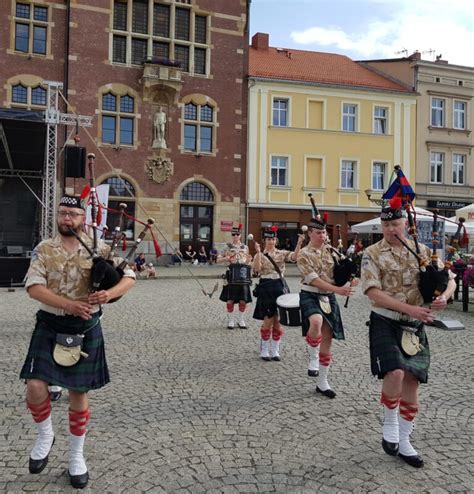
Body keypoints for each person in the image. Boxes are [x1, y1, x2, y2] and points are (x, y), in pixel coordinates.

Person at [19, 195, 135, 489]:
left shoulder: (97, 248)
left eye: (72, 214)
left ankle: (75, 456)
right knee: (34, 384)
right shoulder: (44, 249)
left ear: (83, 218)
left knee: (78, 392)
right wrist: (68, 305)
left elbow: (130, 275)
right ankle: (46, 434)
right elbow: (33, 288)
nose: (66, 219)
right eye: (62, 213)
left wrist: (109, 294)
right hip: (51, 322)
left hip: (86, 326)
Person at [360, 203, 456, 468]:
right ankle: (390, 422)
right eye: (386, 225)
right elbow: (373, 293)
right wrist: (409, 308)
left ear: (405, 224)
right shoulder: (371, 253)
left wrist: (444, 298)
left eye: (395, 224)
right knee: (395, 373)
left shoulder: (423, 252)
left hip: (414, 325)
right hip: (386, 320)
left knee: (412, 380)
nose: (390, 229)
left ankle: (404, 440)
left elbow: (450, 280)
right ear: (382, 226)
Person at [297, 214, 358, 398]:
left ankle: (322, 382)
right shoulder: (303, 255)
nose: (322, 236)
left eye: (324, 232)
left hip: (328, 297)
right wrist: (337, 290)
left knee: (328, 338)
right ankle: (313, 357)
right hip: (310, 293)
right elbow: (313, 280)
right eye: (318, 233)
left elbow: (342, 272)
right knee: (315, 322)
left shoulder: (332, 251)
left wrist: (350, 279)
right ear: (310, 234)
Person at [252, 227, 304, 361]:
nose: (271, 241)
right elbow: (256, 270)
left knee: (278, 321)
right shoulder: (260, 254)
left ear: (276, 240)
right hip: (266, 286)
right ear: (264, 240)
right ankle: (264, 349)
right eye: (268, 239)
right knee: (268, 320)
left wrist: (299, 244)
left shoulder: (281, 253)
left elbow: (294, 257)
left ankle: (275, 349)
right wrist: (258, 253)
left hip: (280, 287)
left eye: (273, 239)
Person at [217, 224, 253, 329]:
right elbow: (217, 260)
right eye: (234, 234)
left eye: (237, 234)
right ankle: (231, 320)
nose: (236, 236)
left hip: (242, 274)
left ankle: (241, 319)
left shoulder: (245, 247)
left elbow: (248, 261)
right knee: (230, 299)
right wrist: (226, 258)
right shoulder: (227, 247)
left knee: (243, 299)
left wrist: (249, 261)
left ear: (240, 235)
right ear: (231, 235)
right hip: (231, 274)